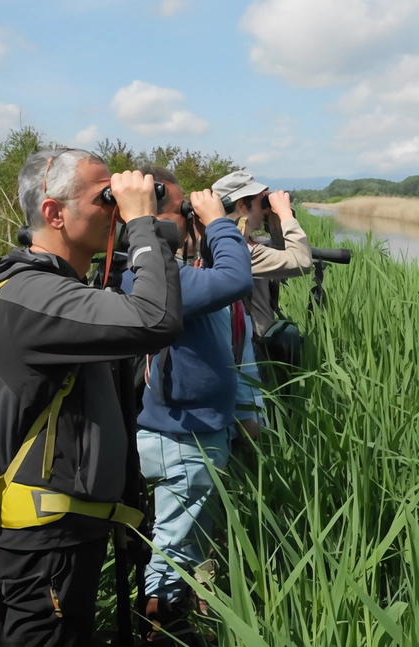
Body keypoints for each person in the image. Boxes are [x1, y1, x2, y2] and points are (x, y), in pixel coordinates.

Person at [0, 148, 183, 646]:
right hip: (45, 548)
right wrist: (143, 226)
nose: (116, 208)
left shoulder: (58, 290)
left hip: (65, 536)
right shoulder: (33, 297)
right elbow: (156, 320)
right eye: (104, 197)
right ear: (54, 213)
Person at [121, 165, 253, 642]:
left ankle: (181, 612)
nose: (190, 217)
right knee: (171, 545)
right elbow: (238, 280)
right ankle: (160, 630)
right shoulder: (161, 281)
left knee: (181, 535)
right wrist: (218, 220)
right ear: (154, 219)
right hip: (183, 438)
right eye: (183, 210)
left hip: (187, 432)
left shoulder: (161, 277)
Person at [212, 171, 312, 437]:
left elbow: (278, 255)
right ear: (243, 206)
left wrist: (275, 220)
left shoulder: (219, 242)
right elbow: (300, 262)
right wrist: (286, 214)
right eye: (260, 202)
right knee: (255, 425)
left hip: (238, 347)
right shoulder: (239, 250)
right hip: (251, 350)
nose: (264, 207)